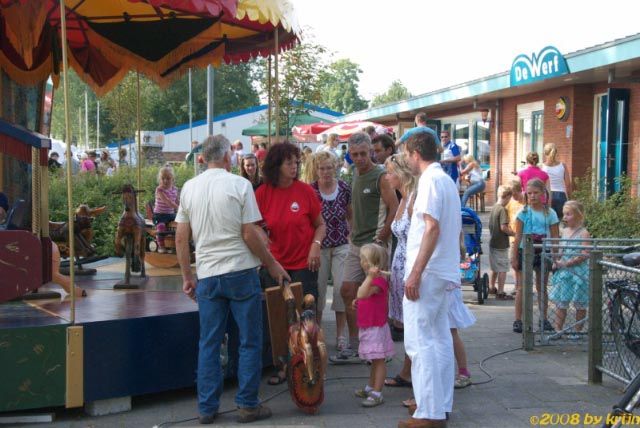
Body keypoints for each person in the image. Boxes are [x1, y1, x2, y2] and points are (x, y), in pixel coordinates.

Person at [175, 135, 289, 424]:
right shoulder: (240, 185)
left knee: (209, 343)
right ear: (228, 157)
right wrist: (272, 264)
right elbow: (250, 234)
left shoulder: (189, 187)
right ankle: (247, 404)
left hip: (209, 275)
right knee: (249, 341)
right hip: (240, 271)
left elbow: (180, 237)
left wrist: (187, 276)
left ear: (203, 157)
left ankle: (207, 408)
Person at [400, 130, 460, 428]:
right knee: (438, 338)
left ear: (414, 153)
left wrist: (415, 272)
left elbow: (431, 228)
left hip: (429, 271)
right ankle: (440, 405)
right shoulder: (445, 180)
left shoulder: (430, 181)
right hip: (440, 270)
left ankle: (428, 412)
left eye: (406, 154)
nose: (405, 161)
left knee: (419, 340)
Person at [255, 142, 326, 385]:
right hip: (274, 265)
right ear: (276, 166)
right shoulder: (262, 193)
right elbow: (254, 226)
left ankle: (309, 365)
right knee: (277, 318)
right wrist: (261, 235)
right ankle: (283, 366)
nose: (295, 167)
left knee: (306, 316)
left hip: (304, 264)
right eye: (289, 163)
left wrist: (316, 245)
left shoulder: (305, 191)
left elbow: (321, 224)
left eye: (297, 162)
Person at [330, 132, 398, 364]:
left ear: (371, 151)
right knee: (347, 290)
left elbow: (394, 207)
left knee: (375, 296)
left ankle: (380, 348)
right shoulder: (353, 175)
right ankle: (356, 342)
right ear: (349, 154)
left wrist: (382, 238)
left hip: (375, 245)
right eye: (354, 154)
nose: (359, 158)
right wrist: (351, 229)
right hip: (355, 244)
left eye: (363, 154)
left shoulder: (381, 176)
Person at [310, 151, 351, 348]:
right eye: (322, 168)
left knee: (341, 289)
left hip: (342, 243)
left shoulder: (344, 188)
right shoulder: (311, 191)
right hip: (320, 247)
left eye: (329, 167)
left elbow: (350, 215)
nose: (326, 171)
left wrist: (351, 235)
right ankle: (317, 334)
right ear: (316, 170)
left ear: (335, 167)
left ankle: (341, 335)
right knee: (318, 289)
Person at [382, 153, 416, 389]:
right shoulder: (402, 198)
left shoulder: (414, 199)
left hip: (409, 267)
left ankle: (411, 372)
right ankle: (407, 370)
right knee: (404, 324)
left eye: (390, 172)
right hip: (398, 265)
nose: (387, 176)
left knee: (413, 325)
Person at [511, 178, 560, 334]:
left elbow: (555, 237)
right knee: (521, 287)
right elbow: (517, 237)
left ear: (543, 194)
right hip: (524, 251)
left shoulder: (550, 213)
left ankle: (543, 319)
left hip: (543, 252)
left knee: (542, 288)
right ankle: (518, 320)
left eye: (536, 193)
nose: (532, 196)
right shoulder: (523, 213)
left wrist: (556, 256)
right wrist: (514, 257)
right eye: (529, 193)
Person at [353, 243, 395, 408]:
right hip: (369, 324)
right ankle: (371, 386)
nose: (361, 262)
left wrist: (369, 278)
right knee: (374, 359)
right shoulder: (372, 279)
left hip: (376, 326)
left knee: (378, 360)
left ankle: (377, 392)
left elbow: (362, 293)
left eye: (364, 259)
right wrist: (358, 303)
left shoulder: (378, 280)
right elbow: (363, 298)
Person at [549, 201, 590, 338]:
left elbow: (585, 253)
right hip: (565, 271)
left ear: (578, 215)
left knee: (580, 302)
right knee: (562, 301)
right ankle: (558, 329)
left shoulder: (584, 233)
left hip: (579, 271)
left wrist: (570, 262)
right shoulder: (564, 231)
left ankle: (577, 331)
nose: (565, 217)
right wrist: (557, 261)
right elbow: (561, 250)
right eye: (564, 214)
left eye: (568, 214)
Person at [489, 185, 515, 300]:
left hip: (493, 242)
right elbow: (503, 227)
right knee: (503, 269)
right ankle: (500, 291)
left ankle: (491, 287)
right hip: (501, 244)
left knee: (494, 267)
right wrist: (514, 233)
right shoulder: (503, 209)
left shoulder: (494, 207)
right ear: (508, 196)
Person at [154, 165, 180, 253]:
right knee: (161, 227)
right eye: (163, 178)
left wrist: (182, 209)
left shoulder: (175, 189)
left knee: (181, 224)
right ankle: (161, 246)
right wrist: (178, 208)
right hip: (160, 215)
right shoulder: (159, 190)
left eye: (168, 178)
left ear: (172, 179)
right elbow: (167, 201)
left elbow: (177, 201)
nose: (165, 180)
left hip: (171, 214)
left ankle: (176, 244)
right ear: (159, 179)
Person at [505, 179, 525, 297]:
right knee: (514, 262)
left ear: (519, 191)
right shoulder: (510, 203)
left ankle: (522, 285)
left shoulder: (525, 202)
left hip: (524, 236)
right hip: (513, 237)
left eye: (515, 194)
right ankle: (517, 285)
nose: (514, 197)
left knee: (523, 263)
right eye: (512, 195)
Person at [541, 143, 571, 219]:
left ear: (544, 153)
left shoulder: (542, 167)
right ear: (556, 152)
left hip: (547, 195)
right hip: (561, 196)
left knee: (548, 221)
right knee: (561, 221)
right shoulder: (563, 165)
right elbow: (568, 184)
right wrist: (569, 199)